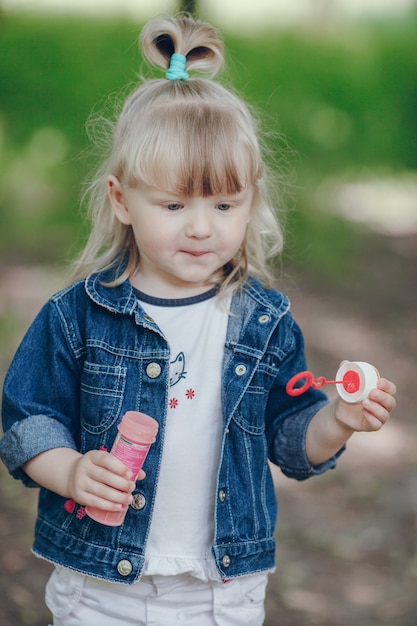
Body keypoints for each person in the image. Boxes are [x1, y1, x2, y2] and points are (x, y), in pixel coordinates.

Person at [0, 14, 396, 626]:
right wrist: (71, 470)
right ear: (120, 199)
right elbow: (28, 419)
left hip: (222, 588)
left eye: (224, 204)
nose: (201, 226)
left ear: (251, 199)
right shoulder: (78, 315)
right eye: (174, 203)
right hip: (102, 582)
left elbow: (291, 440)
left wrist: (338, 421)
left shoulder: (262, 321)